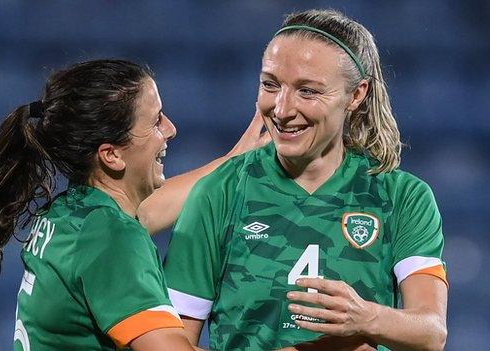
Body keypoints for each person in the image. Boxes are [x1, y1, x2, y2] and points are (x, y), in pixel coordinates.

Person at [163, 9, 448, 351]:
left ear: (356, 95)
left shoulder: (402, 197)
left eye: (308, 91)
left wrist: (366, 317)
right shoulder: (218, 192)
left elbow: (432, 332)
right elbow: (172, 345)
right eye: (270, 85)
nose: (282, 109)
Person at [0, 59, 269, 351]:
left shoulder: (73, 212)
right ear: (111, 155)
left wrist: (232, 163)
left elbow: (147, 212)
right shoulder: (111, 238)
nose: (171, 129)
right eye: (156, 121)